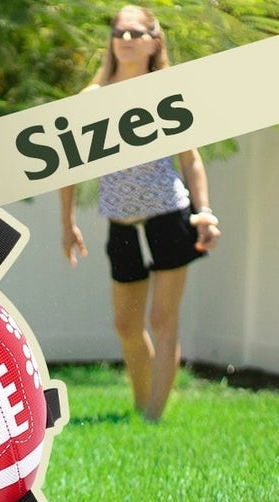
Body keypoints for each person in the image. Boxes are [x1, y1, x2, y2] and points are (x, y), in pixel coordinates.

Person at [58, 8, 220, 422]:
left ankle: (153, 418)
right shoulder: (92, 99)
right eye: (119, 32)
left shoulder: (166, 92)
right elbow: (69, 165)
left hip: (169, 215)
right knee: (126, 326)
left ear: (154, 40)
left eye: (136, 32)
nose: (126, 38)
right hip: (120, 221)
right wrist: (67, 223)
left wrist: (204, 213)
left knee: (162, 318)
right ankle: (140, 403)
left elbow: (191, 159)